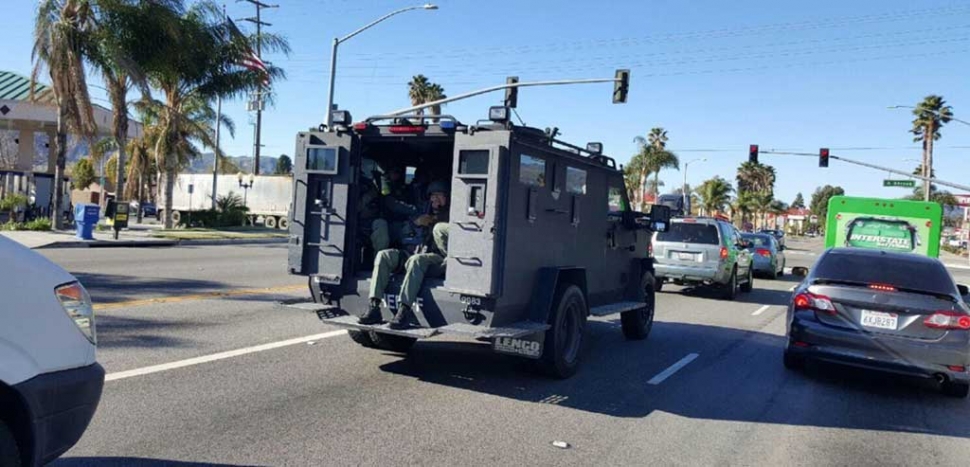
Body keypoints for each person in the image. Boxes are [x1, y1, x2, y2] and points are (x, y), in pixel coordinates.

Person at [359, 181, 450, 329]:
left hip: (437, 258)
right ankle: (374, 306)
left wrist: (434, 222)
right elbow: (404, 227)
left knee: (416, 260)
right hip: (414, 251)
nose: (435, 199)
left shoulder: (451, 214)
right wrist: (417, 222)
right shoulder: (423, 210)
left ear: (448, 198)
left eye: (440, 196)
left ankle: (404, 310)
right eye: (433, 196)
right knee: (383, 255)